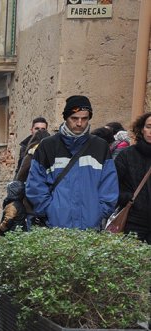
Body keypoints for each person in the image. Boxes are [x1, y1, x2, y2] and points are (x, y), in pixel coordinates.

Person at [26, 95, 118, 230]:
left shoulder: (100, 146)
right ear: (66, 117)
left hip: (90, 227)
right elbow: (35, 184)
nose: (79, 123)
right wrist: (50, 210)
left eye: (84, 118)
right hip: (55, 226)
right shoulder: (48, 146)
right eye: (74, 118)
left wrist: (99, 212)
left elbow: (109, 185)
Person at [114, 112, 151, 243]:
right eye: (149, 126)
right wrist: (125, 197)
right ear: (142, 129)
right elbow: (112, 186)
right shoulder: (127, 155)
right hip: (133, 221)